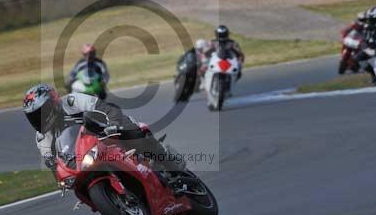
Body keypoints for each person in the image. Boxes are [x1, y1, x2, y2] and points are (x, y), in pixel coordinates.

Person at [22, 83, 185, 184]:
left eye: (42, 112)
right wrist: (63, 179)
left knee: (134, 134)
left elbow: (106, 108)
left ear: (53, 102)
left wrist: (113, 125)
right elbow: (54, 165)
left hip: (108, 131)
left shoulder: (71, 101)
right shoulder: (42, 137)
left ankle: (172, 166)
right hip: (87, 154)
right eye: (34, 116)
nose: (39, 119)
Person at [194, 25, 245, 90]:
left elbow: (239, 53)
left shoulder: (233, 43)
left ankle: (230, 85)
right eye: (220, 35)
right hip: (215, 61)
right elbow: (206, 52)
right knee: (203, 67)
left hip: (229, 61)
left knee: (239, 70)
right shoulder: (212, 42)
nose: (222, 37)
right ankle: (203, 81)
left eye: (223, 35)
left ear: (227, 34)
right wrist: (205, 55)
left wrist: (239, 59)